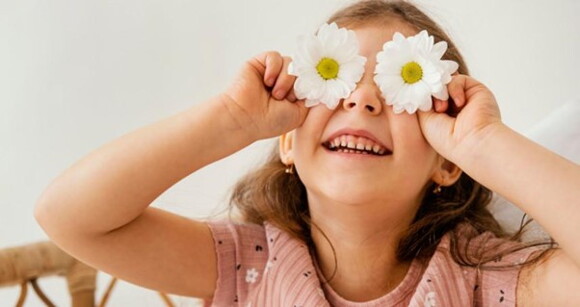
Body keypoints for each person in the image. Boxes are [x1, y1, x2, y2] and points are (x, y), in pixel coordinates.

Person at [34, 0, 580, 306]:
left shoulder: (485, 279)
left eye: (397, 92)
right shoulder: (251, 265)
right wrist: (228, 120)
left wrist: (485, 143)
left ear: (445, 161)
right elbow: (70, 217)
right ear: (288, 141)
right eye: (334, 78)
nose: (362, 98)